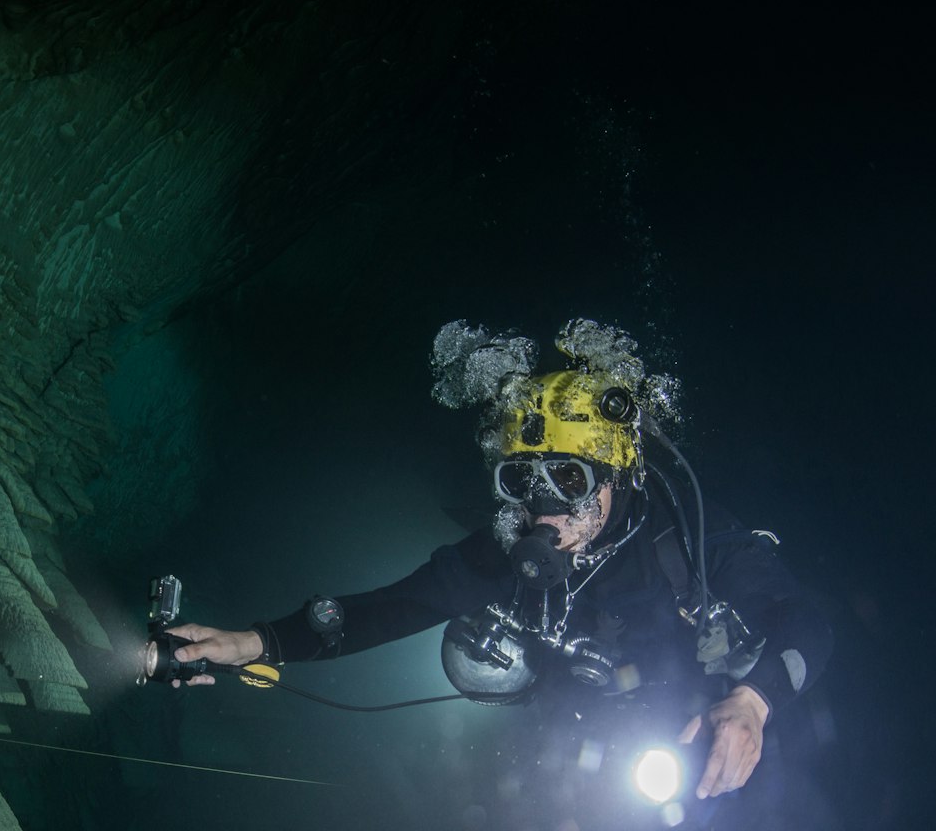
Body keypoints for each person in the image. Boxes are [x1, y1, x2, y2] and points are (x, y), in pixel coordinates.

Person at [165, 318, 832, 803]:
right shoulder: (511, 552)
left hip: (703, 726)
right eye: (523, 481)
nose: (544, 507)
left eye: (569, 479)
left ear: (616, 476)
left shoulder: (684, 535)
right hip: (579, 755)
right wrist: (253, 640)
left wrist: (753, 701)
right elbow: (389, 610)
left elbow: (807, 621)